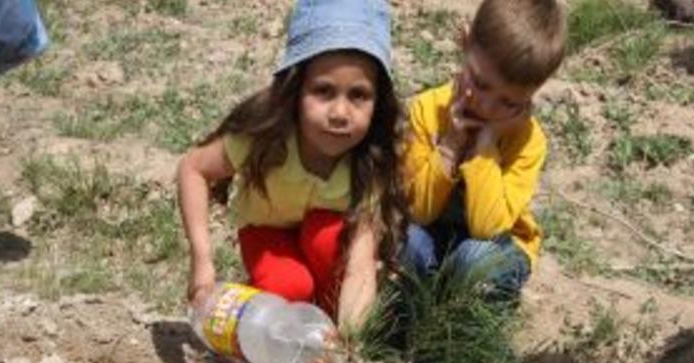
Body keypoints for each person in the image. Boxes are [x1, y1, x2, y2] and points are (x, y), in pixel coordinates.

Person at [178, 0, 406, 334]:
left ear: (378, 102)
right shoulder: (267, 135)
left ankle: (322, 326)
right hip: (268, 235)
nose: (340, 113)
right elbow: (193, 169)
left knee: (328, 236)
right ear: (295, 89)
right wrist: (201, 261)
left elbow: (359, 269)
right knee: (288, 288)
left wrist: (347, 342)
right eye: (323, 91)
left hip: (326, 245)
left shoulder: (369, 161)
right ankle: (268, 308)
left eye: (358, 95)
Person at [402, 0, 566, 299]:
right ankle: (416, 322)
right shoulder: (427, 111)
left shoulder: (527, 141)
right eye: (480, 83)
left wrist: (486, 144)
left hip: (497, 246)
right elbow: (418, 212)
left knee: (472, 259)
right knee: (407, 242)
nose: (487, 107)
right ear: (464, 41)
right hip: (434, 233)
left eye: (509, 102)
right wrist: (451, 144)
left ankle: (474, 328)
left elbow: (486, 228)